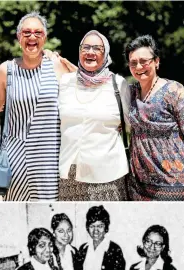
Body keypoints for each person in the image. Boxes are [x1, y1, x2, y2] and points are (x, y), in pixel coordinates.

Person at [0, 12, 70, 201]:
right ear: (19, 37)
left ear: (44, 37)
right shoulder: (6, 70)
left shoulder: (57, 66)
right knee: (16, 218)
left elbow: (87, 84)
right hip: (14, 160)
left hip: (49, 160)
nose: (32, 37)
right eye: (26, 32)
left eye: (38, 32)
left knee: (46, 218)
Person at [125, 35, 184, 201]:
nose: (138, 66)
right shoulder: (130, 92)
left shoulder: (174, 90)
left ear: (156, 61)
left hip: (175, 181)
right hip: (140, 185)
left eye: (144, 61)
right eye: (133, 63)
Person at [57, 30, 130, 201]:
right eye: (86, 47)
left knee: (106, 225)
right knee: (71, 225)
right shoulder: (65, 82)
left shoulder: (118, 84)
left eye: (97, 48)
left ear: (105, 54)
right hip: (70, 174)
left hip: (108, 174)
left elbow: (133, 123)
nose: (90, 52)